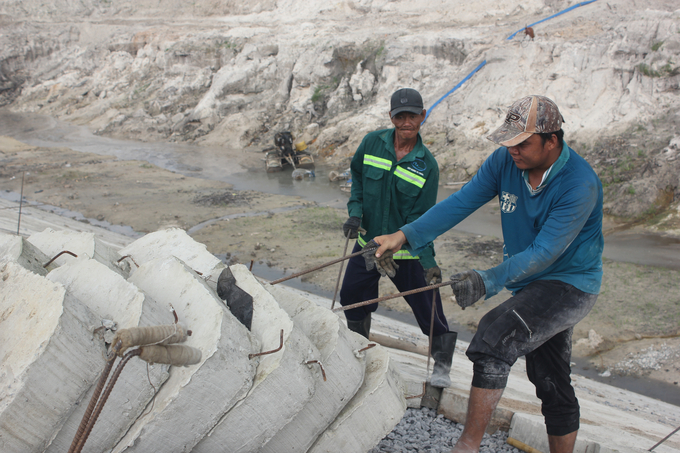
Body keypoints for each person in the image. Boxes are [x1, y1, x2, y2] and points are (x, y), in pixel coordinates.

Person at [370, 95, 604, 453]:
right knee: (550, 378)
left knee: (493, 339)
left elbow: (545, 252)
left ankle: (467, 446)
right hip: (529, 281)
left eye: (523, 143)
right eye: (509, 142)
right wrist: (404, 235)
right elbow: (461, 203)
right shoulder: (505, 162)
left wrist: (488, 279)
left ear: (552, 140)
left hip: (569, 284)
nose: (513, 151)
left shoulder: (579, 184)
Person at [340, 87, 458, 388]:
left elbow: (424, 219)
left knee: (428, 306)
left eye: (413, 116)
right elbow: (357, 181)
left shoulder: (427, 165)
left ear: (423, 116)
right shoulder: (371, 143)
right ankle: (359, 349)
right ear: (391, 117)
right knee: (352, 296)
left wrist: (428, 260)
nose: (407, 122)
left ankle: (442, 364)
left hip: (406, 251)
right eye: (400, 116)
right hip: (369, 243)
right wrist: (355, 212)